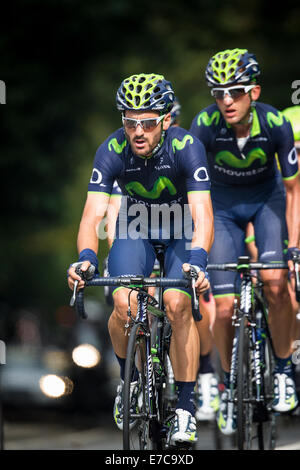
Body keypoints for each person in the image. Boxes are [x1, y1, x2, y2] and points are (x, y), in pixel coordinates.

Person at [68, 73, 214, 445]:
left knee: (177, 304)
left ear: (165, 120)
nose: (137, 131)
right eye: (129, 121)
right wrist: (86, 257)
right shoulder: (111, 150)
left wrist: (197, 259)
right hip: (137, 228)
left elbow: (204, 215)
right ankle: (129, 382)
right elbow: (92, 217)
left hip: (181, 228)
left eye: (147, 123)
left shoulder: (187, 146)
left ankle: (184, 407)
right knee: (123, 302)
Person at [190, 48, 300, 435]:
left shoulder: (275, 123)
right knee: (221, 309)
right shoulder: (203, 125)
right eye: (218, 93)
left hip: (266, 203)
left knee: (275, 284)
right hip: (220, 208)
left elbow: (292, 191)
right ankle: (226, 381)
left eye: (234, 92)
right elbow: (193, 190)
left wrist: (294, 249)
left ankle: (284, 368)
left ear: (253, 91)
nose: (225, 101)